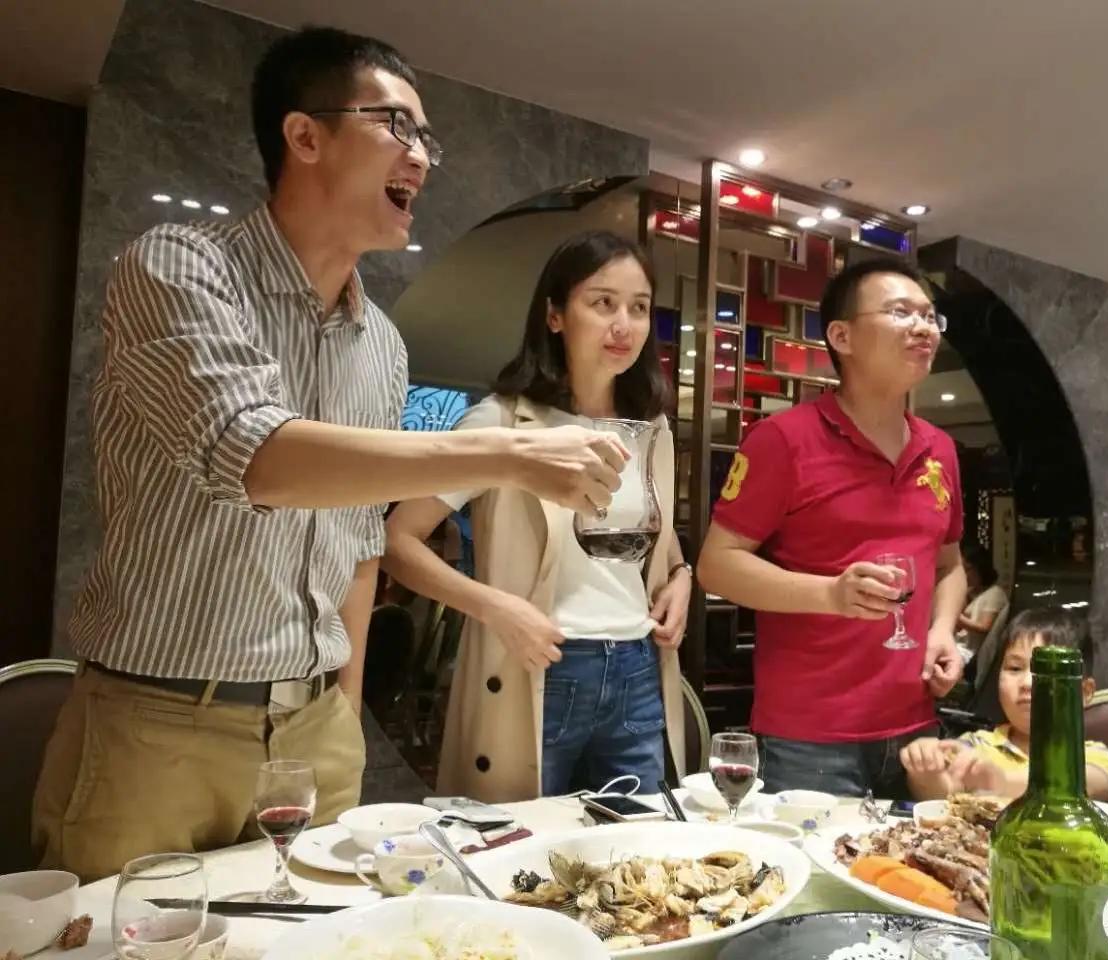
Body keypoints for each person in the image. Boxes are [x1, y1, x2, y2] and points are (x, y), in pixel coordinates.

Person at [32, 28, 628, 881]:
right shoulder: (179, 267)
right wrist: (506, 452)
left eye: (429, 139)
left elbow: (357, 545)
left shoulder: (380, 343)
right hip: (157, 719)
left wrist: (342, 711)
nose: (421, 157)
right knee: (126, 931)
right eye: (397, 126)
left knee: (311, 932)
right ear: (304, 135)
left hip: (314, 727)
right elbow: (259, 459)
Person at [383, 231, 690, 801]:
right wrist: (495, 608)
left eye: (639, 308)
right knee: (523, 843)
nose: (623, 325)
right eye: (602, 303)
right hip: (541, 661)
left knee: (634, 844)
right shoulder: (503, 422)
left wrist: (681, 577)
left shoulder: (651, 430)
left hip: (637, 665)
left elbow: (655, 538)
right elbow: (398, 541)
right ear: (554, 315)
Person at [697, 257, 966, 799]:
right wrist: (830, 594)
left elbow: (949, 566)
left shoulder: (939, 448)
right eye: (900, 312)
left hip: (916, 728)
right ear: (842, 336)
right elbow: (716, 566)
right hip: (810, 737)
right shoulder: (783, 440)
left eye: (929, 316)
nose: (922, 328)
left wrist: (942, 632)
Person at [900, 607, 1108, 801]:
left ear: (1084, 692)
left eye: (1046, 671)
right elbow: (944, 794)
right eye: (1015, 668)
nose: (1027, 683)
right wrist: (926, 773)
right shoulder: (975, 745)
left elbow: (1084, 783)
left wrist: (1001, 781)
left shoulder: (1093, 756)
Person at [954, 544, 1008, 664]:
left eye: (968, 569)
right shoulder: (972, 592)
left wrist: (955, 616)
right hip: (959, 646)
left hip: (968, 653)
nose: (964, 574)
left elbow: (984, 627)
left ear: (981, 568)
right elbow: (959, 628)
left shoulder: (995, 593)